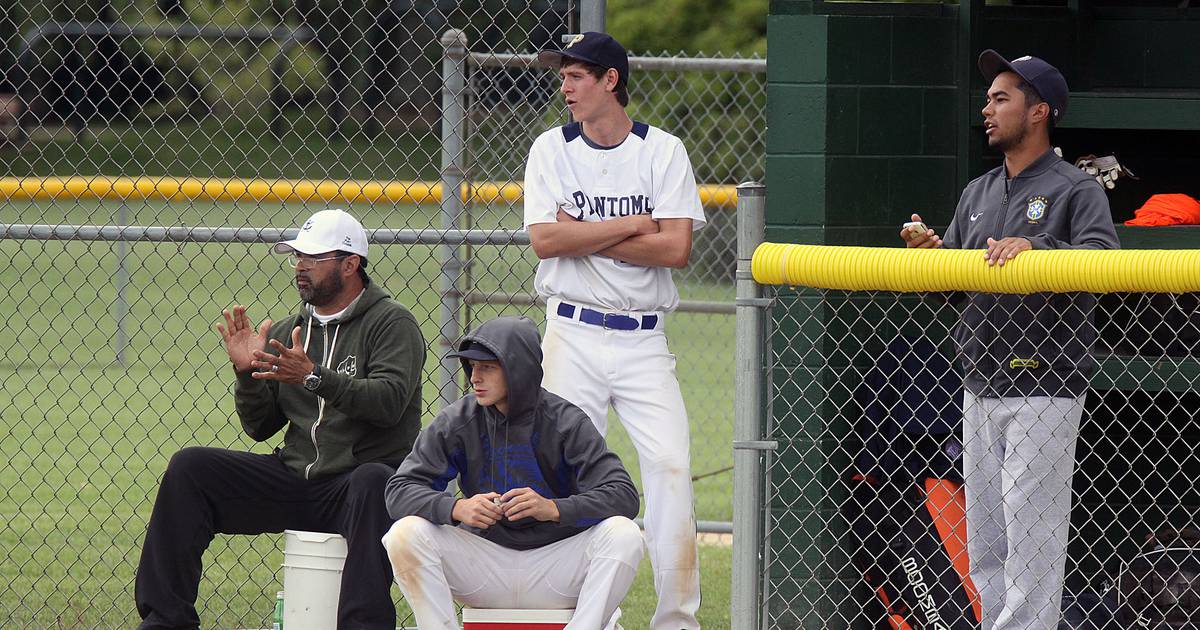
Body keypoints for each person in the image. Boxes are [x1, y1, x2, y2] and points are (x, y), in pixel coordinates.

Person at [902, 51, 1120, 629]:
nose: (987, 109)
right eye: (988, 98)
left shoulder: (1076, 188)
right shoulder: (977, 191)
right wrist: (931, 259)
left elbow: (1106, 262)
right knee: (988, 544)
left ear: (1040, 111)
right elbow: (951, 287)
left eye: (1002, 98)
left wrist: (1037, 249)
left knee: (1032, 540)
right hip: (979, 382)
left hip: (1045, 385)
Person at [134, 209, 426, 630]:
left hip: (355, 488)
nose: (301, 267)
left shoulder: (391, 322)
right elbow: (260, 427)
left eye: (312, 257)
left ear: (350, 263)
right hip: (296, 479)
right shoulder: (292, 329)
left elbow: (389, 402)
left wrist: (312, 377)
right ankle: (165, 621)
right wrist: (246, 374)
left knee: (374, 480)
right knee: (190, 468)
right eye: (296, 257)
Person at [522, 31, 707, 630]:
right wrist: (633, 224)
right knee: (569, 474)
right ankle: (590, 616)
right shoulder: (551, 147)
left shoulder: (663, 151)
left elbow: (676, 248)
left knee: (671, 467)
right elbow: (547, 240)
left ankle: (676, 621)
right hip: (570, 334)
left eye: (579, 75)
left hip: (642, 339)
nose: (566, 85)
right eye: (563, 74)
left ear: (611, 81)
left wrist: (589, 233)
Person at [382, 316, 644, 629]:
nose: (474, 378)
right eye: (471, 367)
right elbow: (399, 490)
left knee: (623, 535)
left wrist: (554, 509)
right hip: (484, 566)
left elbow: (624, 496)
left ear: (518, 369)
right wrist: (456, 508)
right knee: (404, 534)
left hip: (556, 566)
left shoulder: (565, 421)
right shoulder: (459, 420)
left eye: (487, 367)